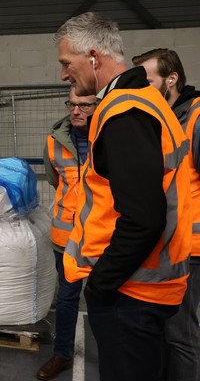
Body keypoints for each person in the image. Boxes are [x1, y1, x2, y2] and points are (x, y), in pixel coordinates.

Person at [55, 12, 192, 381]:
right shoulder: (144, 100)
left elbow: (145, 217)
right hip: (146, 286)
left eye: (67, 63)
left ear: (93, 57)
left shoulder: (124, 111)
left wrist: (102, 284)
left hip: (131, 292)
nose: (64, 75)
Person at [132, 48, 200, 381]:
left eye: (147, 80)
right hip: (166, 243)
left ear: (171, 79)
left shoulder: (196, 117)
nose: (140, 88)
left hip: (192, 247)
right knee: (160, 329)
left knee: (180, 333)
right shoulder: (163, 118)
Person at [37, 88, 96, 380]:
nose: (75, 111)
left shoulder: (111, 136)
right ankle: (62, 354)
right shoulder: (54, 141)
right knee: (67, 297)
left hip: (102, 237)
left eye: (84, 105)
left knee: (103, 299)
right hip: (67, 236)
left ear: (98, 106)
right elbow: (54, 179)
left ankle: (113, 354)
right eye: (71, 104)